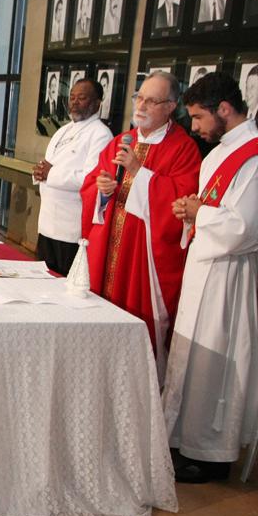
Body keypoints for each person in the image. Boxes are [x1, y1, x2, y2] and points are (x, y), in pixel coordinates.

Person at [162, 71, 258, 483]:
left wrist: (201, 213)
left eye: (198, 118)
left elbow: (251, 227)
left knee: (216, 363)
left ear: (225, 110)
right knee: (192, 359)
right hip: (205, 267)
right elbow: (216, 209)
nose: (194, 127)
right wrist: (191, 210)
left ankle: (213, 454)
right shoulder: (221, 151)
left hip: (228, 275)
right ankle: (183, 440)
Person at [80, 71, 201, 369]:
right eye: (139, 97)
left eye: (151, 100)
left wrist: (138, 171)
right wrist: (103, 190)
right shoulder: (122, 141)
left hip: (143, 259)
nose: (141, 106)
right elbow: (91, 184)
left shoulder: (183, 149)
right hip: (108, 248)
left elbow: (181, 203)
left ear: (171, 107)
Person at [32, 78, 113, 275]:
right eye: (72, 97)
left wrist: (51, 173)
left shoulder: (101, 134)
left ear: (97, 103)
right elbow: (49, 164)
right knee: (41, 277)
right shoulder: (63, 130)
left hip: (70, 227)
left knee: (63, 282)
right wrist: (39, 172)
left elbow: (91, 179)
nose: (74, 102)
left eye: (82, 98)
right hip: (47, 221)